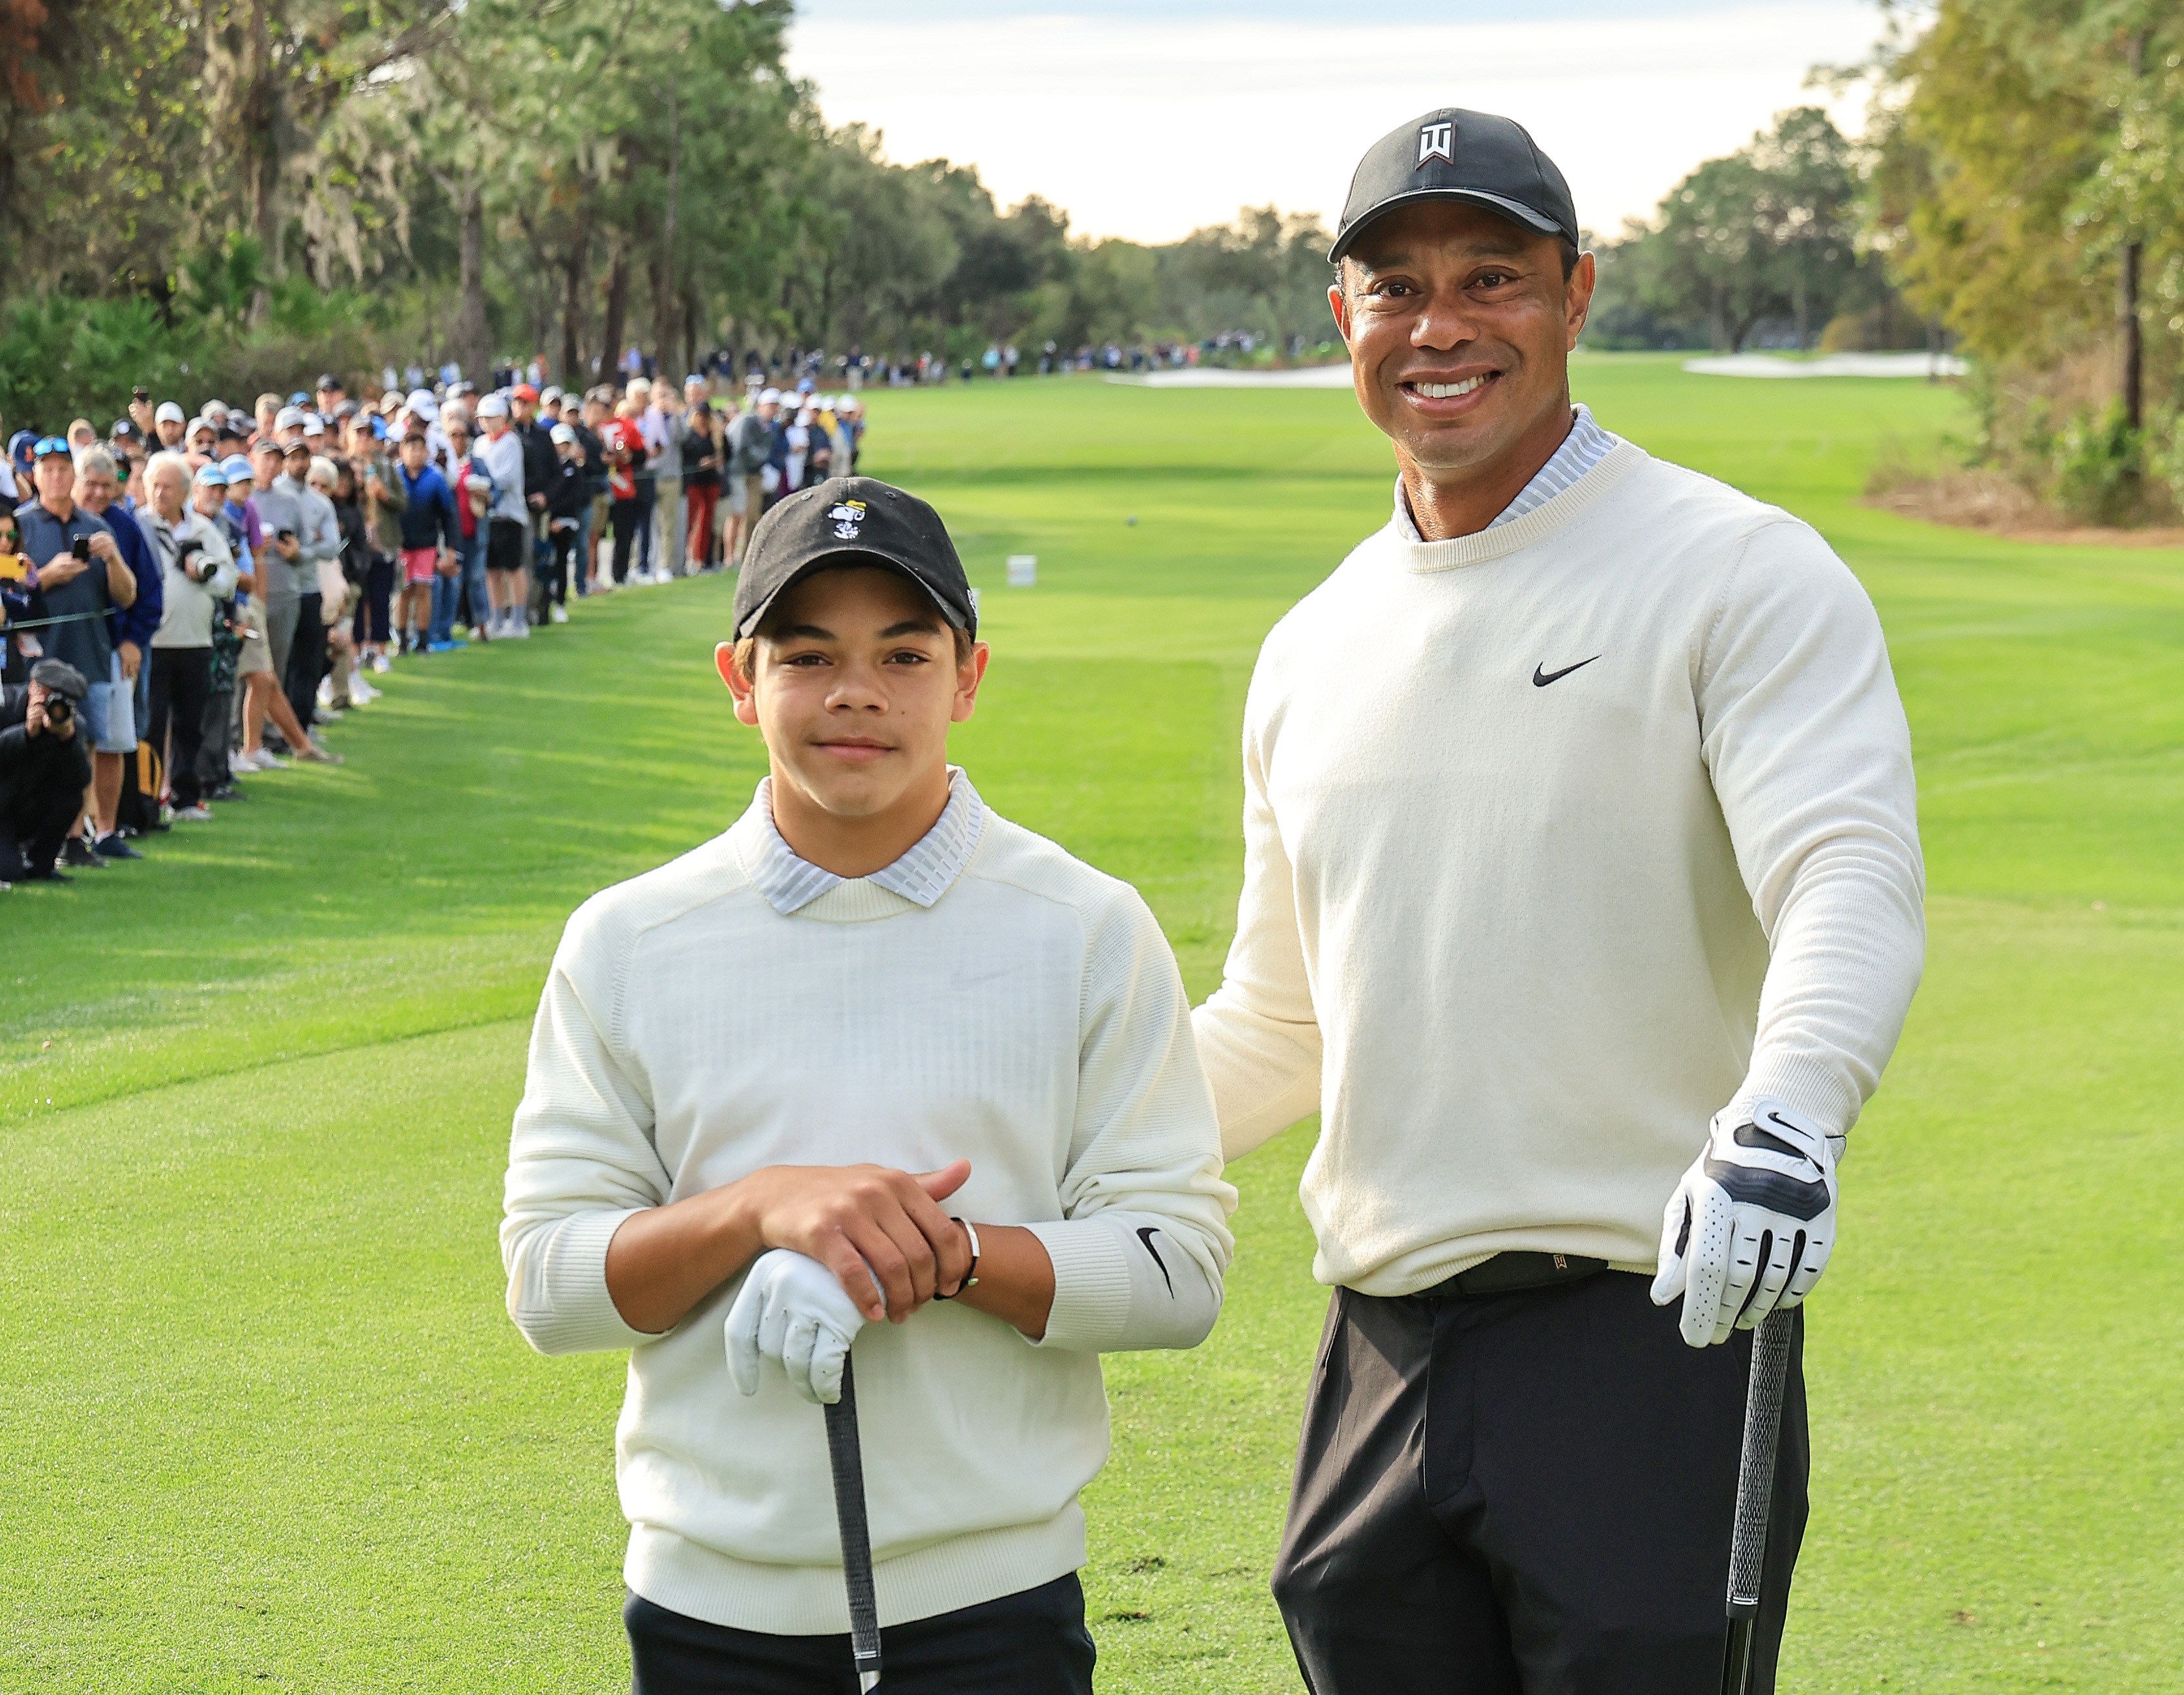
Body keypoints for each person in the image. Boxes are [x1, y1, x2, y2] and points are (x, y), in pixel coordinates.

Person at [1188, 109, 1926, 1695]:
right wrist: (998, 1147)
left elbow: (1843, 870)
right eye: (1392, 285)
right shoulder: (1310, 642)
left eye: (1490, 278)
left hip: (1645, 1338)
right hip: (1373, 1349)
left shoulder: (1732, 569)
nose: (1438, 326)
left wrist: (1786, 1113)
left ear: (1574, 293)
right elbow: (1273, 1022)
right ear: (1342, 320)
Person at [500, 478, 1234, 1694]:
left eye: (903, 652)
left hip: (994, 1611)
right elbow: (549, 1288)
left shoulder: (1085, 926)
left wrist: (930, 1253)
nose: (855, 692)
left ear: (968, 677)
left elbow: (1176, 1273)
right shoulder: (627, 940)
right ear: (740, 682)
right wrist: (758, 1210)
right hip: (704, 1612)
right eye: (808, 655)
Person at [16, 437, 134, 869]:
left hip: (90, 652)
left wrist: (115, 558)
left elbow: (127, 596)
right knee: (34, 745)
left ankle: (73, 838)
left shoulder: (97, 524)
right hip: (36, 658)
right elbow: (9, 591)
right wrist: (45, 576)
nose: (56, 476)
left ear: (76, 474)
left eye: (64, 468)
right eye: (47, 468)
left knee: (82, 748)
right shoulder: (19, 524)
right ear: (35, 474)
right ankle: (31, 838)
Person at [139, 455, 238, 821]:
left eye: (167, 486)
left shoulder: (203, 530)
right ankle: (146, 800)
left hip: (195, 641)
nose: (159, 493)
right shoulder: (139, 525)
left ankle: (185, 796)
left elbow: (229, 581)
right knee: (149, 725)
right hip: (152, 643)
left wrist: (203, 576)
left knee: (189, 724)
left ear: (184, 491)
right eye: (154, 485)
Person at [73, 445, 161, 860]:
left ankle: (106, 830)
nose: (97, 493)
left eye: (107, 486)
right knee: (72, 744)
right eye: (90, 484)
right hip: (60, 650)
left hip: (111, 650)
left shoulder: (124, 526)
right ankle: (67, 833)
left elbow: (149, 592)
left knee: (112, 743)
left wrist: (134, 640)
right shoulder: (39, 521)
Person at [0, 659, 93, 882]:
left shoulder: (73, 726)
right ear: (32, 686)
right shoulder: (6, 706)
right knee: (9, 873)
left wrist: (67, 740)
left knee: (71, 798)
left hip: (32, 809)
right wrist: (25, 734)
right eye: (48, 694)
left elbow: (81, 780)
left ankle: (42, 865)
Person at [392, 429, 459, 648]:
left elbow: (449, 515)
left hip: (426, 544)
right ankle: (402, 640)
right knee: (404, 592)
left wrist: (451, 548)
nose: (415, 453)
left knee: (423, 590)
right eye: (410, 448)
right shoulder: (394, 476)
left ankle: (422, 640)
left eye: (420, 448)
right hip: (400, 545)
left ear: (426, 452)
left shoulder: (435, 478)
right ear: (402, 451)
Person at [475, 394, 530, 638]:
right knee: (491, 570)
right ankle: (496, 618)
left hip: (508, 514)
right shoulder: (479, 444)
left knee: (513, 567)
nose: (487, 423)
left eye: (491, 418)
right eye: (483, 418)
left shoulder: (511, 442)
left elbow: (505, 479)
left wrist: (480, 486)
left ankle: (518, 620)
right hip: (488, 515)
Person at [444, 416, 495, 644]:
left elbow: (494, 493)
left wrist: (484, 495)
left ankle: (482, 625)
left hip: (476, 531)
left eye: (462, 435)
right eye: (453, 435)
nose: (459, 440)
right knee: (453, 583)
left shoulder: (477, 464)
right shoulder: (443, 466)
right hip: (452, 534)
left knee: (476, 579)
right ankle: (446, 629)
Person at [722, 389, 779, 568]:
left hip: (755, 473)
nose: (773, 409)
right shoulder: (747, 421)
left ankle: (747, 557)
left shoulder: (770, 426)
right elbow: (740, 446)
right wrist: (760, 457)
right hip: (738, 472)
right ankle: (729, 557)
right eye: (770, 405)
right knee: (736, 515)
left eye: (775, 406)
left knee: (752, 515)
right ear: (760, 405)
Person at [539, 424, 588, 621]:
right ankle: (542, 605)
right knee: (543, 564)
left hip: (566, 522)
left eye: (565, 444)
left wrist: (558, 518)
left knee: (561, 563)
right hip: (547, 520)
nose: (561, 448)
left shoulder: (573, 469)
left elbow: (574, 498)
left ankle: (560, 603)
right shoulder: (549, 468)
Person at [680, 399, 722, 571]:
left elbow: (726, 452)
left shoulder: (714, 435)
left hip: (710, 480)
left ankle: (701, 558)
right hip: (694, 482)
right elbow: (685, 457)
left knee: (706, 521)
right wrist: (699, 464)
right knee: (691, 521)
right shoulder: (689, 435)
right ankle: (687, 557)